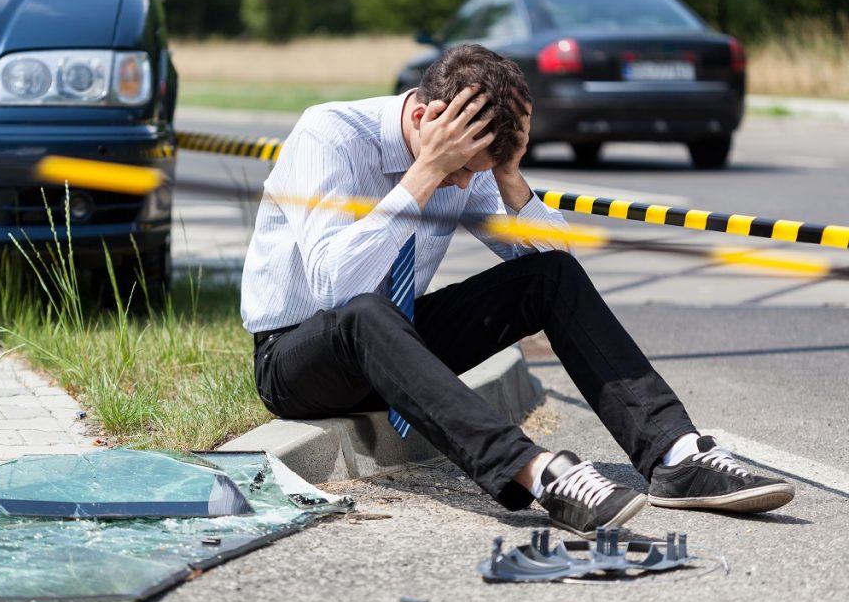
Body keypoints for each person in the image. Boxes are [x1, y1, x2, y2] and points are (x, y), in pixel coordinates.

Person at [239, 44, 794, 538]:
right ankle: (538, 473)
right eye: (460, 169)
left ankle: (673, 454)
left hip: (397, 341)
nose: (461, 183)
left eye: (473, 170)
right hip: (300, 358)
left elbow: (556, 261)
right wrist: (425, 174)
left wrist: (508, 177)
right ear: (427, 117)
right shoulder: (329, 136)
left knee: (548, 275)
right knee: (364, 310)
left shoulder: (471, 159)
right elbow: (334, 287)